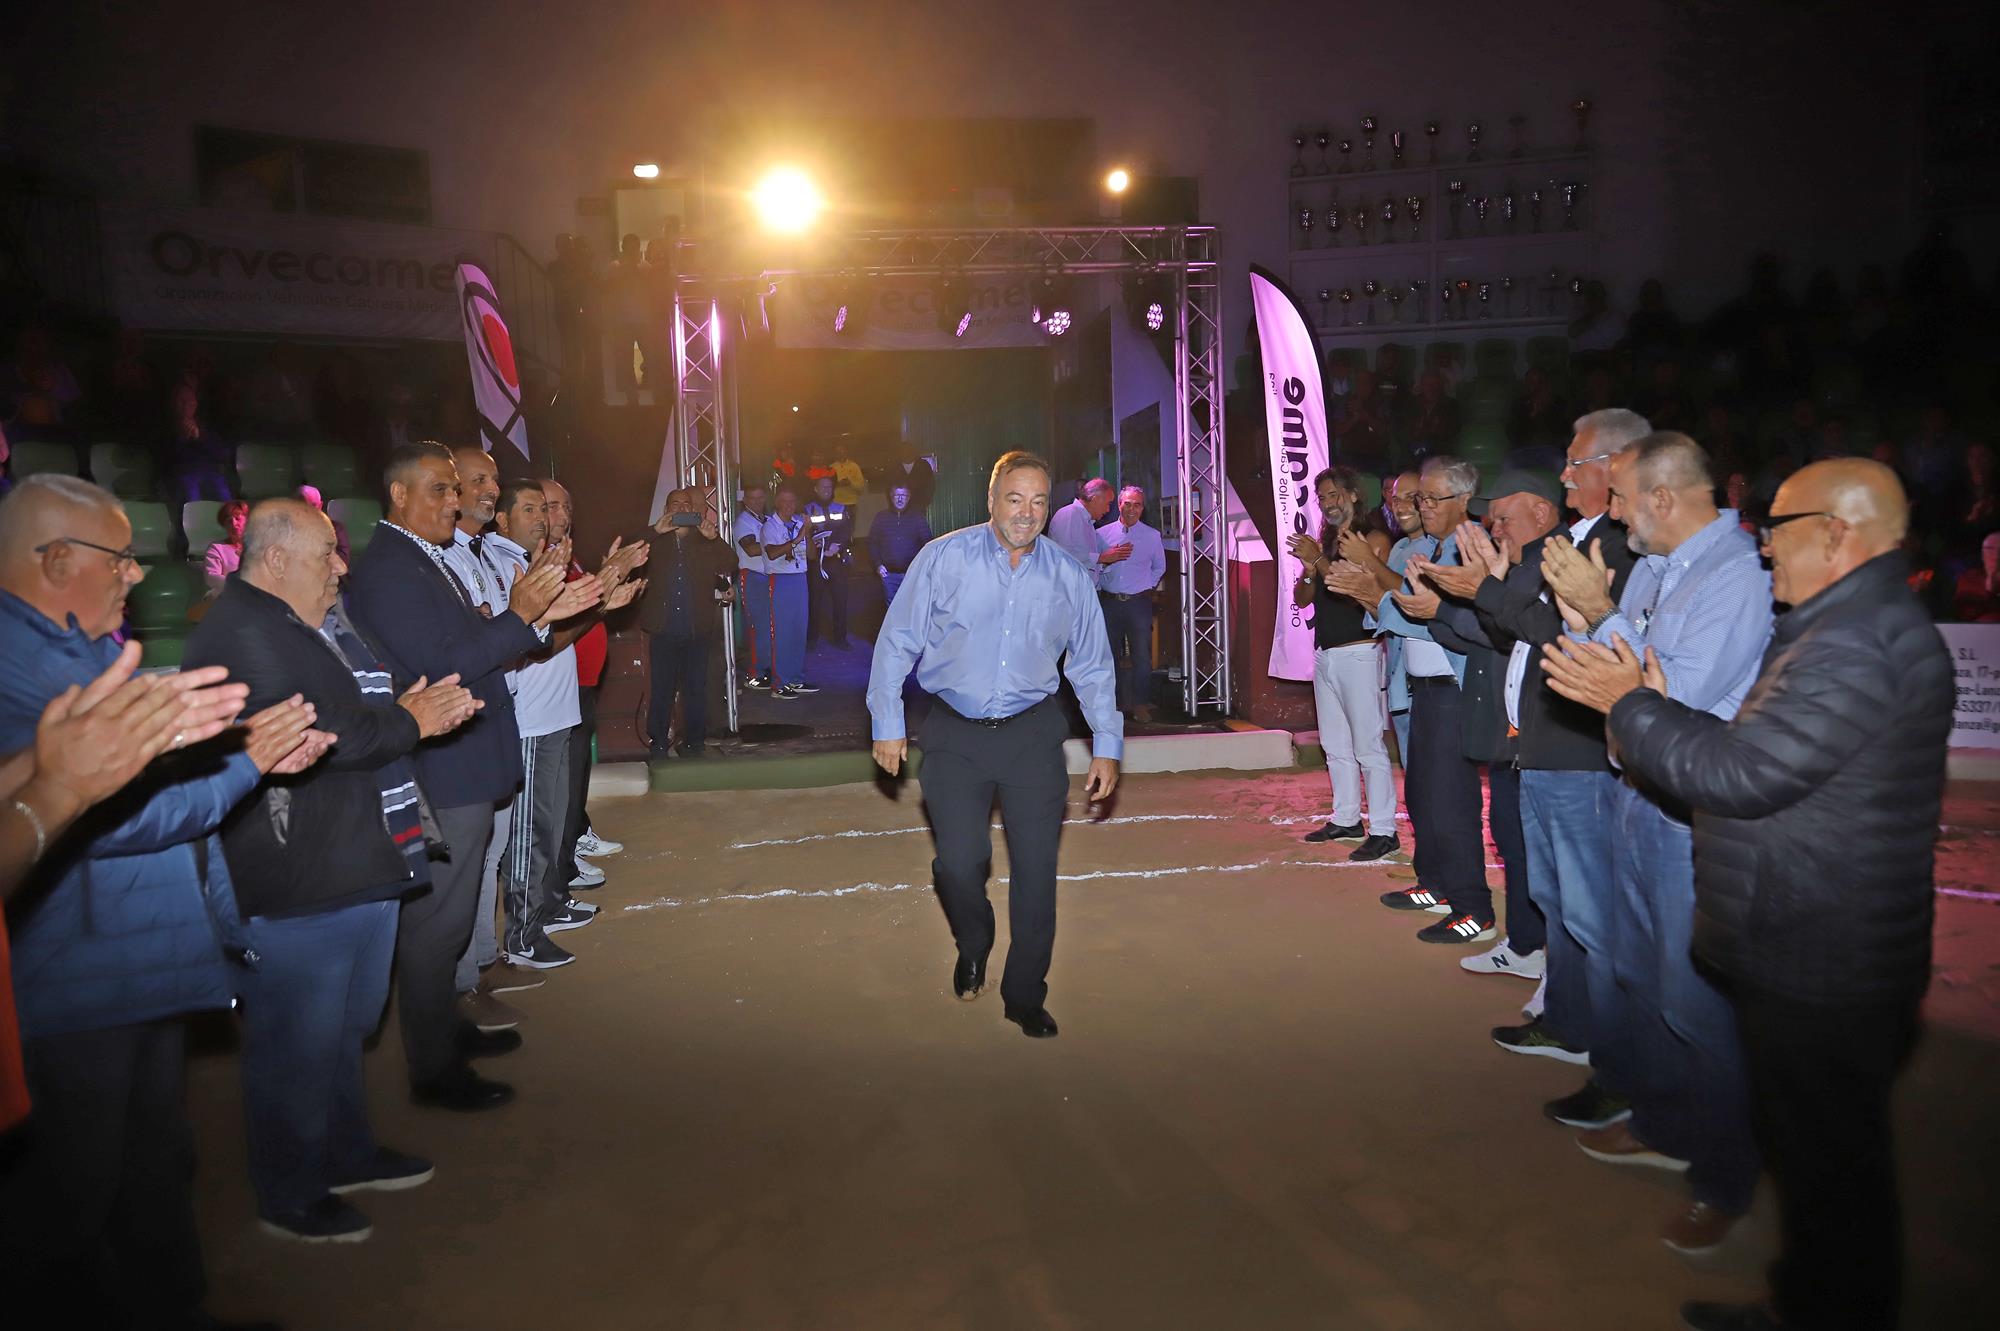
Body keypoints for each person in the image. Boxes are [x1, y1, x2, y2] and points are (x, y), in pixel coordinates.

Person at [1540, 459, 1954, 1331]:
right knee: (1823, 1166)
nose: (1765, 545)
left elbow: (1737, 772)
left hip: (1824, 947)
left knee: (1832, 1167)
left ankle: (1826, 1308)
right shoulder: (1844, 623)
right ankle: (1811, 1300)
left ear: (1837, 531)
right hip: (1818, 930)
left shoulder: (1856, 639)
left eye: (1779, 527)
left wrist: (1631, 700)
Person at [0, 474, 327, 1329]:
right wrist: (250, 761)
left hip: (131, 958)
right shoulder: (17, 667)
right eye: (121, 558)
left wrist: (240, 756)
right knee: (74, 1193)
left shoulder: (87, 648)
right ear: (56, 558)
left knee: (153, 1162)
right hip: (75, 977)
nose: (137, 576)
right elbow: (118, 812)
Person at [184, 497, 480, 1242]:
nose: (341, 567)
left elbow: (348, 713)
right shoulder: (244, 629)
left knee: (341, 1029)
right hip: (299, 876)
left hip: (348, 855)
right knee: (295, 1039)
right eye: (327, 554)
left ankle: (343, 1151)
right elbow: (335, 733)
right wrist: (414, 720)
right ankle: (289, 1189)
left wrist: (397, 713)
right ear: (276, 559)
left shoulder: (292, 621)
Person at [1536, 431, 1773, 1257]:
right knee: (1642, 975)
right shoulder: (1659, 567)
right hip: (1634, 793)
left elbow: (1676, 698)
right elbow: (1625, 675)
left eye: (1626, 497)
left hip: (1689, 812)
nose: (1617, 511)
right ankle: (1666, 1122)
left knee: (1696, 1000)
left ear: (1665, 499)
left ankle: (1724, 1171)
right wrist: (1590, 619)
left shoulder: (1734, 577)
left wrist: (1602, 619)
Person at [344, 443, 572, 1111]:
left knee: (446, 921)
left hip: (464, 761)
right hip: (445, 770)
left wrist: (517, 619)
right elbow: (445, 662)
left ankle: (444, 1030)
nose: (456, 501)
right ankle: (433, 1067)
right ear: (398, 496)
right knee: (436, 927)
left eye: (454, 489)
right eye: (440, 489)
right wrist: (519, 616)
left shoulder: (419, 557)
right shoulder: (391, 567)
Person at [867, 451, 1122, 1039]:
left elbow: (1091, 665)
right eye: (1015, 498)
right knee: (960, 863)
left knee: (1037, 870)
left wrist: (1107, 741)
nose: (1026, 514)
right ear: (991, 500)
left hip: (1032, 735)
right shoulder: (943, 558)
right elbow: (897, 640)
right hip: (954, 734)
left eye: (1038, 502)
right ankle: (973, 941)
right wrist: (887, 720)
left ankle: (1025, 992)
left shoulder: (1067, 574)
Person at [1466, 411, 1646, 1090]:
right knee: (1556, 897)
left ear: (1616, 464)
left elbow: (1555, 631)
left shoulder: (1620, 549)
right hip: (1543, 743)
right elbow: (1532, 625)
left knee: (1590, 909)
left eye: (1576, 465)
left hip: (1578, 748)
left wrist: (1487, 587)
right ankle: (1569, 1022)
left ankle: (1604, 1045)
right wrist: (1492, 587)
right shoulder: (1575, 541)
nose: (1567, 477)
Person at [1410, 470, 1568, 972]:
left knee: (1531, 846)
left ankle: (1539, 951)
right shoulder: (1520, 565)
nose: (1494, 527)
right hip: (1507, 723)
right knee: (1509, 834)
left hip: (1540, 731)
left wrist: (1464, 598)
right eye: (1491, 517)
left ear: (1541, 513)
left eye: (1503, 516)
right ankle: (1524, 944)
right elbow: (1474, 635)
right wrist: (1439, 609)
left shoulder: (1553, 564)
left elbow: (1503, 633)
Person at [486, 479, 619, 971]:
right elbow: (536, 642)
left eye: (546, 509)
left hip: (557, 712)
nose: (542, 517)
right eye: (529, 509)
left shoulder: (533, 561)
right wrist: (600, 597)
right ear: (503, 519)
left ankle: (544, 910)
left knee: (553, 824)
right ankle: (522, 934)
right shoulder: (504, 564)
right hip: (531, 719)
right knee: (530, 835)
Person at [1358, 457, 1490, 942]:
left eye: (1432, 498)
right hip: (1424, 692)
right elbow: (1416, 613)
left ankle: (1473, 907)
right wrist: (1381, 602)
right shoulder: (1430, 546)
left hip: (1456, 691)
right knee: (1425, 796)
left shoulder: (1471, 546)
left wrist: (1381, 602)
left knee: (1453, 802)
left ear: (1464, 500)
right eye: (1420, 498)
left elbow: (1447, 619)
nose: (1423, 506)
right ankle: (1434, 884)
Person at [1286, 466, 1399, 862]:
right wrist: (1308, 568)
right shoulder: (1328, 542)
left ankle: (1385, 829)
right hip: (1326, 653)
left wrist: (1316, 558)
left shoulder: (1373, 539)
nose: (1327, 503)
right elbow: (1304, 599)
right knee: (1335, 745)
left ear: (1353, 495)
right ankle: (1346, 818)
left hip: (1360, 651)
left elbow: (1356, 594)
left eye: (1333, 495)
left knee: (1368, 744)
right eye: (1321, 498)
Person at [640, 487, 734, 758]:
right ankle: (658, 741)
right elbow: (626, 551)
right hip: (664, 627)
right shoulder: (655, 539)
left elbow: (731, 562)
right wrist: (654, 531)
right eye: (675, 504)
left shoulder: (703, 539)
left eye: (686, 504)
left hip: (697, 627)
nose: (681, 508)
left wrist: (714, 538)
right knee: (662, 689)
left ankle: (695, 742)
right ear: (666, 509)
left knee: (696, 687)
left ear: (693, 510)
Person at [1096, 486, 1168, 719]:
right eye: (1127, 503)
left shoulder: (1151, 536)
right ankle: (1113, 704)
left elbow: (1160, 567)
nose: (1131, 509)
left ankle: (1140, 704)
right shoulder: (1102, 534)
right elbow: (1094, 566)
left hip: (1138, 603)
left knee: (1141, 657)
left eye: (1137, 504)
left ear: (1142, 508)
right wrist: (1105, 564)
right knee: (1109, 656)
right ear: (1119, 505)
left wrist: (1147, 585)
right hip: (1109, 602)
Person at [762, 486, 814, 697]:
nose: (789, 505)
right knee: (782, 633)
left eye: (792, 501)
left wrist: (807, 534)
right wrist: (798, 537)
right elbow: (773, 553)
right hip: (780, 580)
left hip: (800, 579)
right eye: (784, 501)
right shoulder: (770, 526)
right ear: (777, 503)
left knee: (798, 632)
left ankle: (795, 679)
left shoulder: (800, 524)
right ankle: (779, 683)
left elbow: (811, 555)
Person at [804, 474, 854, 648]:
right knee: (814, 602)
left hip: (837, 561)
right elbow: (805, 534)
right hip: (816, 561)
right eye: (823, 487)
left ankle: (840, 639)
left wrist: (837, 547)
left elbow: (847, 532)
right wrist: (819, 548)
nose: (826, 490)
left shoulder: (841, 508)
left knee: (840, 601)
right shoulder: (806, 509)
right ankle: (812, 639)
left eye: (829, 487)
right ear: (815, 489)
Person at [734, 482, 774, 688]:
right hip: (752, 576)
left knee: (768, 627)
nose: (757, 502)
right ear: (745, 500)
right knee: (758, 627)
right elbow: (750, 549)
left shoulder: (766, 520)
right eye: (753, 498)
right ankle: (756, 674)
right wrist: (779, 545)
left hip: (767, 576)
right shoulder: (743, 521)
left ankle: (766, 669)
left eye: (760, 498)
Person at [869, 483, 933, 607]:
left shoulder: (917, 517)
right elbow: (872, 543)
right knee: (892, 613)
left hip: (912, 574)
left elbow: (928, 543)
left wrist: (922, 567)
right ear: (891, 496)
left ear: (909, 497)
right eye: (897, 495)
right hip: (889, 576)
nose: (900, 498)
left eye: (903, 495)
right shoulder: (881, 518)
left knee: (912, 610)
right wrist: (877, 565)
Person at [1047, 477, 1115, 585]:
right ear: (1095, 498)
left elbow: (1084, 562)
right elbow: (1065, 556)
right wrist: (1101, 557)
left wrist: (1105, 561)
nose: (1108, 510)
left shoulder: (1086, 521)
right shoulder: (1070, 514)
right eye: (1108, 504)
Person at [202, 498, 250, 591]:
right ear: (224, 525)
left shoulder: (257, 546)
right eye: (229, 521)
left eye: (237, 518)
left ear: (246, 520)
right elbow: (211, 577)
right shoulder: (216, 548)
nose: (234, 524)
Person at [1953, 531, 2000, 621]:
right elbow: (1965, 614)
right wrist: (1989, 588)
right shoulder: (1968, 578)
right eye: (1990, 549)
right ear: (1982, 555)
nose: (1996, 555)